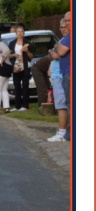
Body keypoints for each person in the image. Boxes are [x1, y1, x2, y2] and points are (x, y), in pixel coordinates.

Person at [47, 12, 71, 142]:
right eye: (61, 26)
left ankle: (64, 133)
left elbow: (58, 53)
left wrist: (53, 50)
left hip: (64, 74)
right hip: (61, 73)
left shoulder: (69, 37)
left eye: (66, 23)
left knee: (64, 105)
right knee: (64, 104)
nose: (63, 28)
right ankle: (65, 132)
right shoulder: (63, 39)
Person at [7, 24, 33, 111]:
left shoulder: (27, 43)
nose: (20, 33)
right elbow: (8, 55)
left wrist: (27, 50)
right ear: (16, 33)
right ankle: (17, 105)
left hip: (25, 66)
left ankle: (25, 105)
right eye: (18, 32)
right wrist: (14, 55)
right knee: (16, 86)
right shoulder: (12, 43)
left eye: (22, 32)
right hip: (16, 67)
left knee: (25, 86)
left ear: (24, 33)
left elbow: (31, 56)